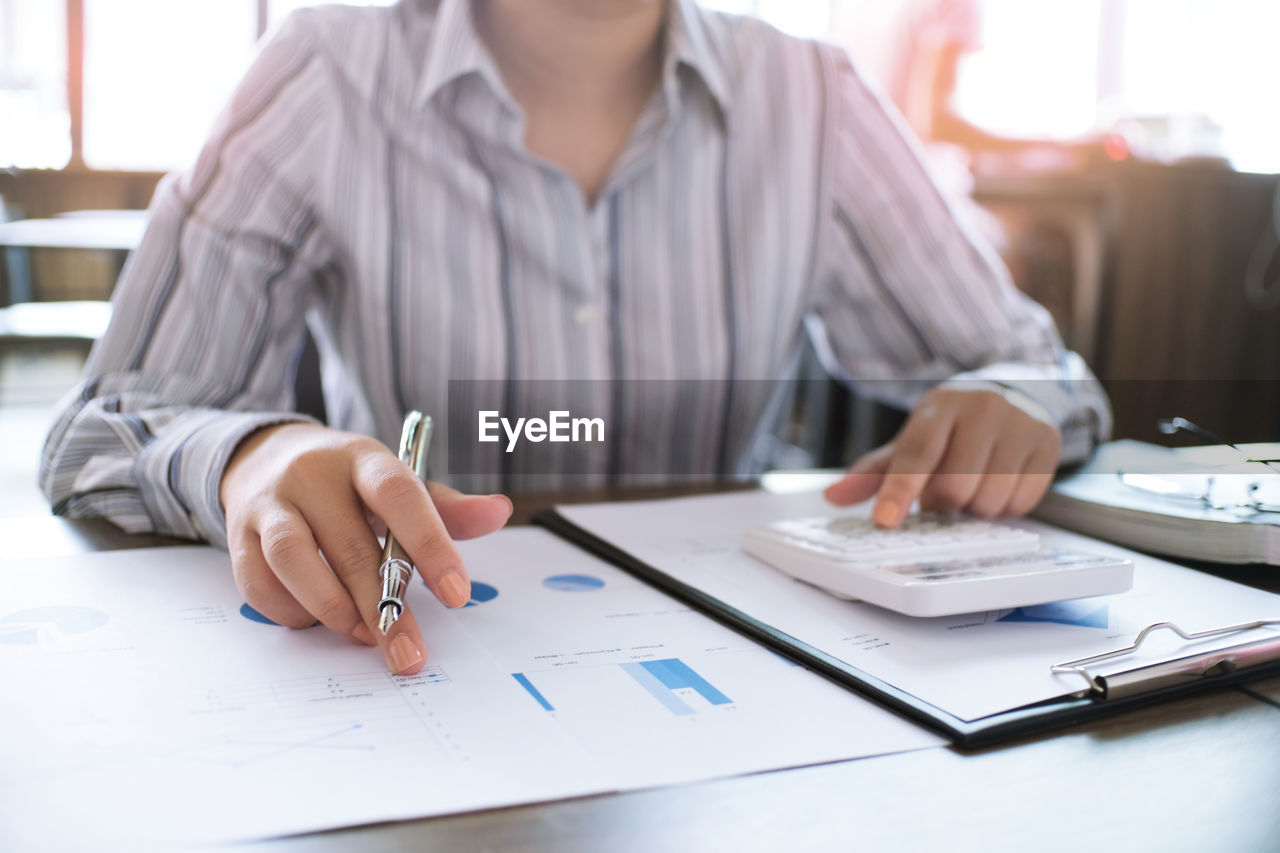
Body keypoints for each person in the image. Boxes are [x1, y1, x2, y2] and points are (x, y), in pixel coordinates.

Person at [40, 0, 1110, 676]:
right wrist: (252, 454)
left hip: (748, 670)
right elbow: (100, 431)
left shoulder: (812, 95)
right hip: (416, 662)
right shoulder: (323, 73)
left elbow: (1034, 372)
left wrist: (1009, 401)